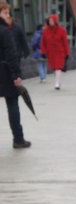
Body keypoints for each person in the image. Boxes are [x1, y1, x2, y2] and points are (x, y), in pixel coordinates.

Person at [0, 2, 30, 148]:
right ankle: (18, 139)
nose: (8, 16)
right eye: (5, 13)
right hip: (5, 74)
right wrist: (16, 75)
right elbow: (11, 55)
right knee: (12, 105)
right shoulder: (4, 31)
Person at [41, 14, 69, 90]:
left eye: (52, 21)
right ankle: (58, 81)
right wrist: (43, 51)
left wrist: (67, 52)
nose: (51, 22)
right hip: (51, 52)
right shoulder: (45, 31)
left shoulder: (61, 30)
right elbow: (43, 42)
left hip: (60, 52)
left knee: (58, 67)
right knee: (54, 68)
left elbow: (65, 42)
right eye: (50, 21)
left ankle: (57, 83)